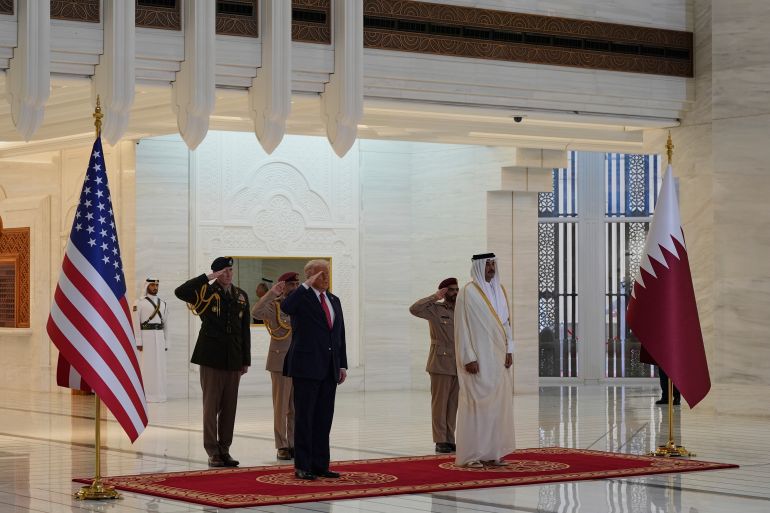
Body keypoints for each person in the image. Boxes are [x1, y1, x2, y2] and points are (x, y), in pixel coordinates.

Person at [174, 257, 251, 468]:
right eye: (224, 271)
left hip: (233, 357)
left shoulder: (241, 295)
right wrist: (207, 278)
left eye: (230, 271)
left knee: (229, 407)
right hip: (211, 356)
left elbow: (244, 330)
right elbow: (180, 291)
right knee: (211, 407)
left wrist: (245, 359)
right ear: (216, 273)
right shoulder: (205, 291)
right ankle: (212, 451)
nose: (228, 274)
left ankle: (225, 449)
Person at [281, 259, 348, 481]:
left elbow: (339, 334)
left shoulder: (334, 300)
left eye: (327, 272)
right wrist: (305, 286)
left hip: (329, 368)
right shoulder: (301, 297)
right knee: (305, 418)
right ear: (310, 276)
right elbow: (286, 307)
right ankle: (303, 465)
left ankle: (320, 464)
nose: (326, 277)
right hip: (306, 367)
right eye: (321, 273)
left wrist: (341, 364)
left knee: (323, 418)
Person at [454, 253, 515, 468]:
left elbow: (506, 324)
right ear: (479, 266)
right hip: (478, 360)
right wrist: (468, 356)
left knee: (497, 407)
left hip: (499, 360)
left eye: (493, 264)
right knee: (476, 406)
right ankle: (471, 455)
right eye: (487, 264)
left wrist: (510, 350)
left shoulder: (500, 291)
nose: (491, 268)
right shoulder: (467, 293)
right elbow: (461, 327)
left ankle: (492, 453)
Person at [251, 271, 300, 460]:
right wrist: (271, 294)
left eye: (297, 284)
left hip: (300, 362)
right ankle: (282, 445)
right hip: (280, 362)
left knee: (296, 407)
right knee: (281, 407)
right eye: (291, 284)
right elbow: (256, 312)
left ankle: (294, 442)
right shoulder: (274, 306)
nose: (295, 288)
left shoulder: (301, 305)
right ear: (283, 286)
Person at [409, 277, 459, 454]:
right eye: (451, 290)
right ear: (444, 292)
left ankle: (450, 439)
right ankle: (440, 440)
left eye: (457, 289)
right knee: (440, 404)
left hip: (458, 364)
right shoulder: (435, 310)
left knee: (453, 404)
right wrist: (435, 297)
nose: (455, 293)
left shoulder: (461, 310)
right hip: (440, 362)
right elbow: (414, 309)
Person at [133, 278, 169, 403]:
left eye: (157, 285)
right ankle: (147, 395)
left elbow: (166, 325)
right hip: (146, 337)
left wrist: (166, 341)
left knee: (160, 367)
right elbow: (135, 323)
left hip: (159, 337)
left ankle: (160, 394)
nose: (155, 287)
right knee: (147, 366)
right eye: (152, 285)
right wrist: (138, 341)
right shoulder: (139, 303)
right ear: (147, 286)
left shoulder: (163, 303)